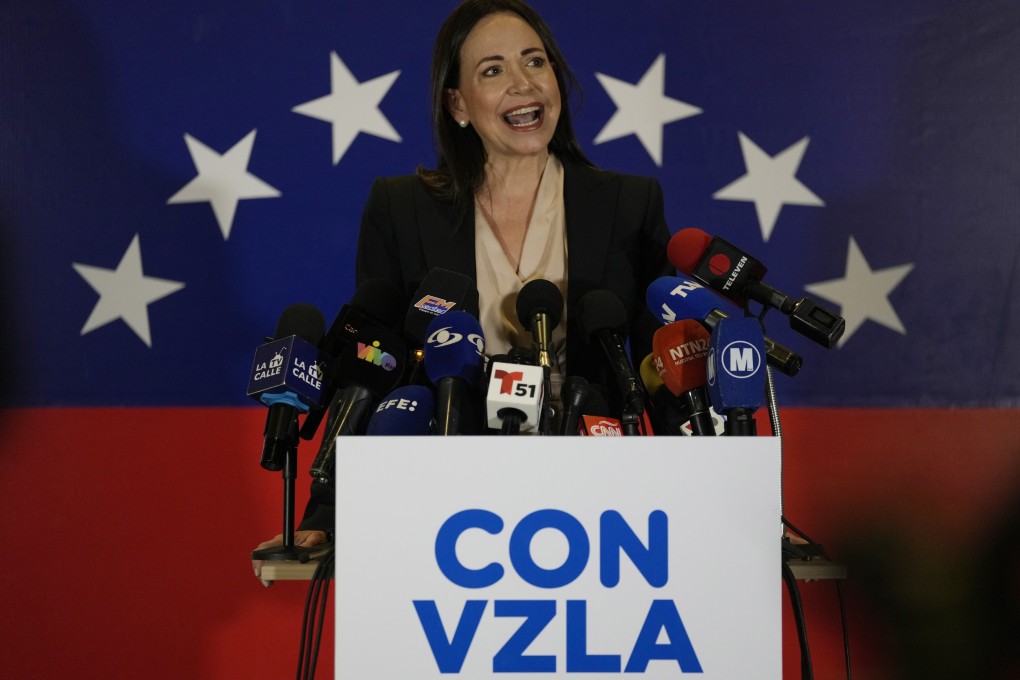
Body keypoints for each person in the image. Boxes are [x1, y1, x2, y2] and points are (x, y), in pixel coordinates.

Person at [254, 0, 672, 584]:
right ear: (457, 104)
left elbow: (661, 366)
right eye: (493, 70)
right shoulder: (401, 208)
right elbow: (373, 365)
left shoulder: (629, 205)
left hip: (595, 507)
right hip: (446, 511)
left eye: (536, 62)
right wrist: (329, 512)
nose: (523, 84)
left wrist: (723, 497)